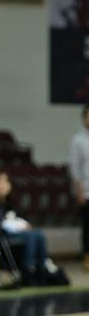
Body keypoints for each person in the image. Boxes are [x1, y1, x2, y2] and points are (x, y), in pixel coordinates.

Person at [0, 172, 49, 285]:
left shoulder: (11, 201)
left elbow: (19, 217)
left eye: (6, 181)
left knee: (39, 234)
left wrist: (23, 225)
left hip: (15, 232)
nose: (3, 185)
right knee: (30, 236)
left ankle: (41, 270)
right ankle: (27, 271)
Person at [69, 106, 89, 269]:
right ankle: (87, 256)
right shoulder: (78, 140)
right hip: (87, 190)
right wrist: (79, 191)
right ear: (84, 118)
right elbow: (75, 168)